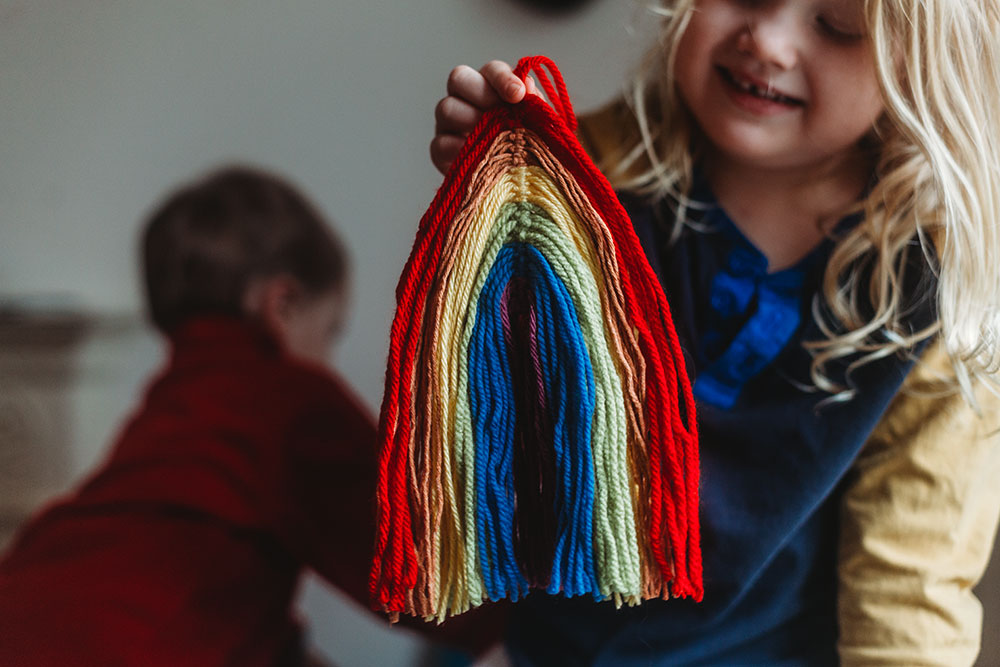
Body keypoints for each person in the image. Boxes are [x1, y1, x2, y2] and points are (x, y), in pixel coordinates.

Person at [430, 0, 1000, 664]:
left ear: (924, 65)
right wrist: (494, 222)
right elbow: (490, 444)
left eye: (837, 24)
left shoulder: (942, 300)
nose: (767, 42)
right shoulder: (585, 174)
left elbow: (911, 582)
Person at [0, 166, 497, 666]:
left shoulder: (170, 408)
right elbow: (430, 583)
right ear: (281, 305)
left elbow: (211, 598)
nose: (326, 358)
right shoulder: (293, 401)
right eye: (329, 331)